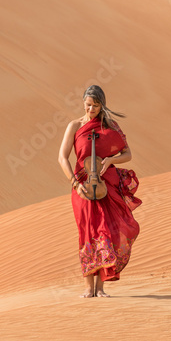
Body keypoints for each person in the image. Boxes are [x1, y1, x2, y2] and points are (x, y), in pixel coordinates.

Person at [58, 85, 142, 297]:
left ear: (102, 105)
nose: (91, 109)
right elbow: (62, 157)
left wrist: (111, 160)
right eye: (88, 105)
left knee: (104, 231)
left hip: (105, 186)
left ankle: (101, 287)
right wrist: (75, 183)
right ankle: (88, 287)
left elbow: (128, 154)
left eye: (96, 106)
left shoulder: (110, 126)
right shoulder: (75, 126)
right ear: (83, 103)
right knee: (86, 232)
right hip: (82, 186)